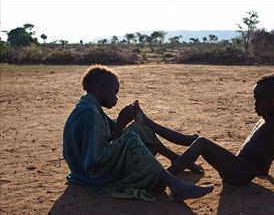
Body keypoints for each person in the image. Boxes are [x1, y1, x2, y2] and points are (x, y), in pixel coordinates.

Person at [62, 64, 213, 202]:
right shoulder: (89, 112)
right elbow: (98, 157)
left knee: (139, 128)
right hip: (91, 173)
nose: (116, 97)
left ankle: (175, 158)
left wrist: (128, 121)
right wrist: (121, 122)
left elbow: (112, 136)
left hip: (94, 166)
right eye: (115, 92)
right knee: (130, 137)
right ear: (102, 87)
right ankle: (175, 185)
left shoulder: (91, 107)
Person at [135, 74, 274, 193]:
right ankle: (148, 123)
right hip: (237, 168)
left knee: (201, 142)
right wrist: (263, 171)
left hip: (240, 173)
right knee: (195, 139)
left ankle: (162, 180)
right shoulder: (269, 116)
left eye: (259, 99)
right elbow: (266, 148)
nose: (255, 104)